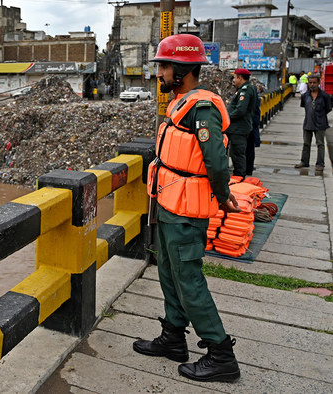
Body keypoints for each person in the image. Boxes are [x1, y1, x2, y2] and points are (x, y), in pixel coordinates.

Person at [137, 33, 242, 383]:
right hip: (169, 202)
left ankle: (221, 354)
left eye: (164, 67)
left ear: (182, 70)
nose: (160, 74)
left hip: (186, 209)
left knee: (189, 278)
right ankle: (173, 338)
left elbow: (215, 158)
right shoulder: (181, 103)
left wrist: (223, 191)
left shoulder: (202, 108)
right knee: (168, 272)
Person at [296, 75, 332, 171]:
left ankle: (320, 164)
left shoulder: (324, 96)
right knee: (306, 143)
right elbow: (305, 107)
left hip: (320, 123)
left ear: (318, 83)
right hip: (308, 122)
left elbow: (328, 108)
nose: (312, 85)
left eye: (314, 82)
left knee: (320, 144)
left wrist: (319, 115)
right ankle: (304, 161)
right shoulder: (305, 96)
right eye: (310, 82)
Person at [226, 68, 257, 177]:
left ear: (240, 78)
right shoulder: (243, 89)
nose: (233, 80)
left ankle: (239, 177)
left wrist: (226, 117)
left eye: (235, 77)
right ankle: (238, 175)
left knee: (237, 154)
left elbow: (240, 110)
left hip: (239, 128)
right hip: (236, 128)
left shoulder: (246, 90)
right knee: (235, 153)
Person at [246, 84, 262, 175]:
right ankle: (249, 167)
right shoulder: (253, 92)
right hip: (252, 124)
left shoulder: (248, 92)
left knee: (248, 147)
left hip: (249, 125)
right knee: (250, 147)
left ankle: (248, 168)